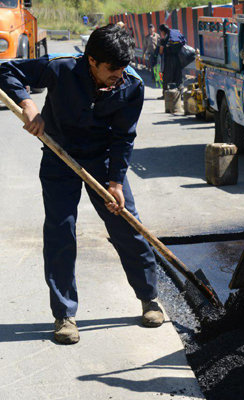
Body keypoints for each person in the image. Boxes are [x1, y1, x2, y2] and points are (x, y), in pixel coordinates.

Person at [0, 24, 165, 345]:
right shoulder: (61, 68)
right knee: (61, 231)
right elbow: (6, 71)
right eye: (111, 69)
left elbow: (124, 136)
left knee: (127, 225)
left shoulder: (131, 85)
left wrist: (116, 180)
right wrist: (28, 104)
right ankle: (64, 314)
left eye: (122, 68)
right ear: (91, 61)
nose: (118, 74)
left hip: (102, 160)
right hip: (59, 156)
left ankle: (148, 298)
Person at [157, 23, 186, 99]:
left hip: (169, 60)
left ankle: (165, 95)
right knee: (178, 77)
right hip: (178, 59)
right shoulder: (175, 37)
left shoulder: (164, 40)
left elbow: (161, 51)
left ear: (163, 31)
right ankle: (181, 94)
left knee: (167, 77)